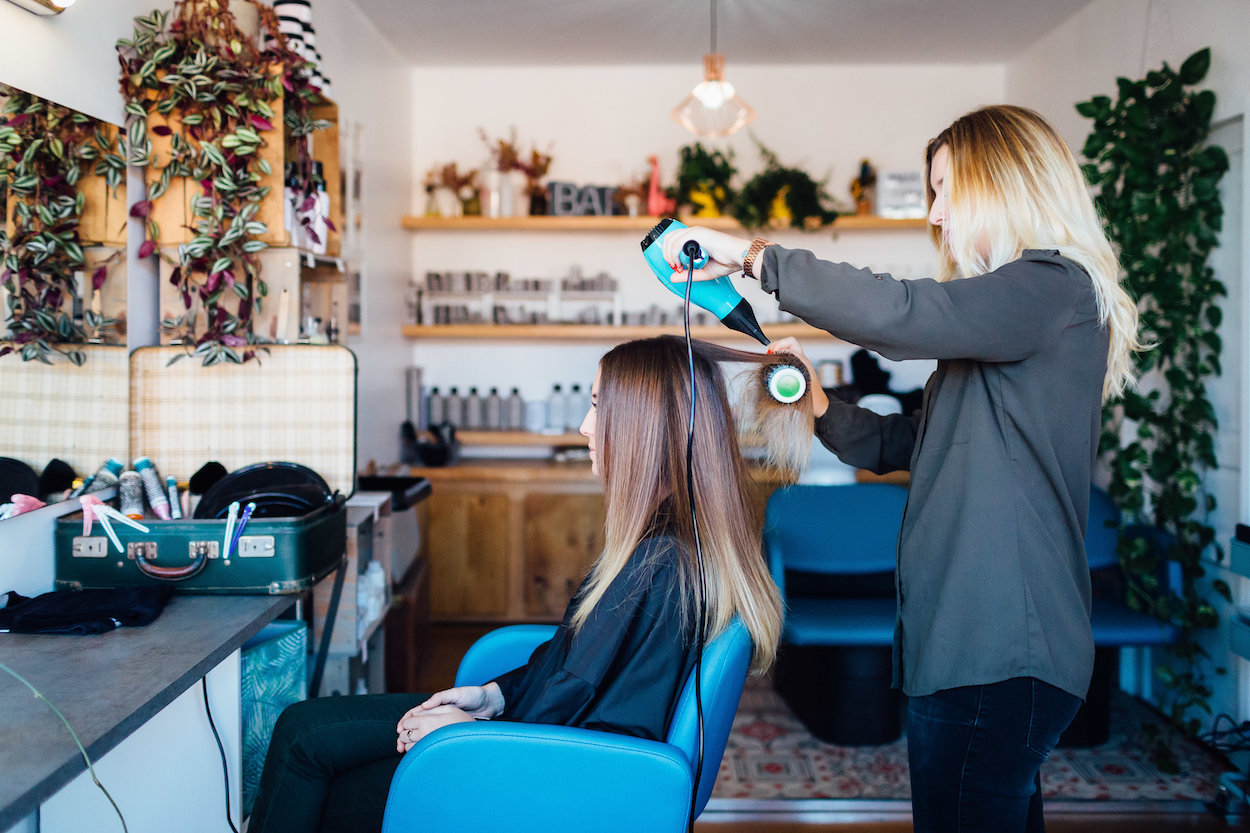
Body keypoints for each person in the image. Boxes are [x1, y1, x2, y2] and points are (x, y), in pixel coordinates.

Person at [661, 104, 1142, 833]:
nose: (937, 216)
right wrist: (821, 405)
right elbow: (907, 445)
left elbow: (905, 312)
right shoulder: (1010, 321)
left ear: (1006, 183)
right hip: (974, 643)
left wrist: (756, 258)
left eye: (948, 190)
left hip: (998, 647)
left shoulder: (1052, 286)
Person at [246, 335, 811, 833]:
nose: (585, 427)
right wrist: (491, 697)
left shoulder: (659, 565)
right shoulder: (672, 543)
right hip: (527, 735)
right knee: (303, 728)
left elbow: (609, 721)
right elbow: (573, 663)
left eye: (597, 408)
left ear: (644, 426)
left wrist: (471, 733)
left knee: (315, 770)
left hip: (538, 767)